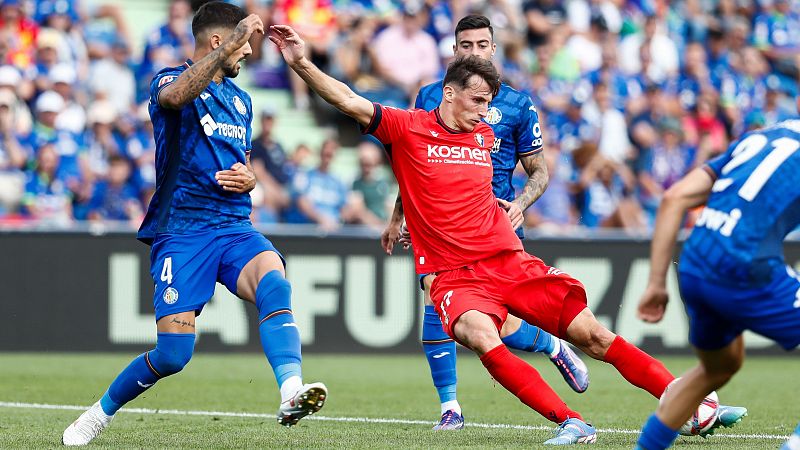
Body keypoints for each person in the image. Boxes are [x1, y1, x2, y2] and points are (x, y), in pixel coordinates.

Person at [269, 24, 746, 445]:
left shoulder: (485, 135)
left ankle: (689, 400)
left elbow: (516, 173)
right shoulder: (408, 127)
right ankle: (571, 422)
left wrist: (512, 204)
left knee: (595, 335)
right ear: (449, 93)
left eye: (490, 103)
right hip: (455, 274)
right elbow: (348, 100)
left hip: (508, 259)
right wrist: (302, 63)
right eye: (478, 101)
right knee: (478, 335)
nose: (485, 112)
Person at [61, 4, 327, 446]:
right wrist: (237, 36)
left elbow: (239, 165)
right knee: (173, 354)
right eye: (243, 46)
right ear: (218, 42)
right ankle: (99, 411)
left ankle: (290, 391)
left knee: (275, 283)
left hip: (233, 225)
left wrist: (253, 178)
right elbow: (174, 97)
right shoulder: (168, 79)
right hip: (183, 230)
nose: (248, 57)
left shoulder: (242, 100)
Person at [380, 15, 589, 431]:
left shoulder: (515, 103)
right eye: (465, 45)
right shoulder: (430, 97)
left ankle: (550, 343)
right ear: (454, 50)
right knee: (437, 301)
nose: (473, 51)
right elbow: (414, 162)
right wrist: (398, 216)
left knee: (500, 322)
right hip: (440, 225)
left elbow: (540, 173)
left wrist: (519, 204)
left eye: (481, 44)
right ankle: (450, 407)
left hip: (495, 224)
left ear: (494, 49)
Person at [635, 117, 800, 449]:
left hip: (695, 263)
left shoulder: (760, 137)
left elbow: (674, 198)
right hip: (744, 266)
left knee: (720, 365)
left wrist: (656, 283)